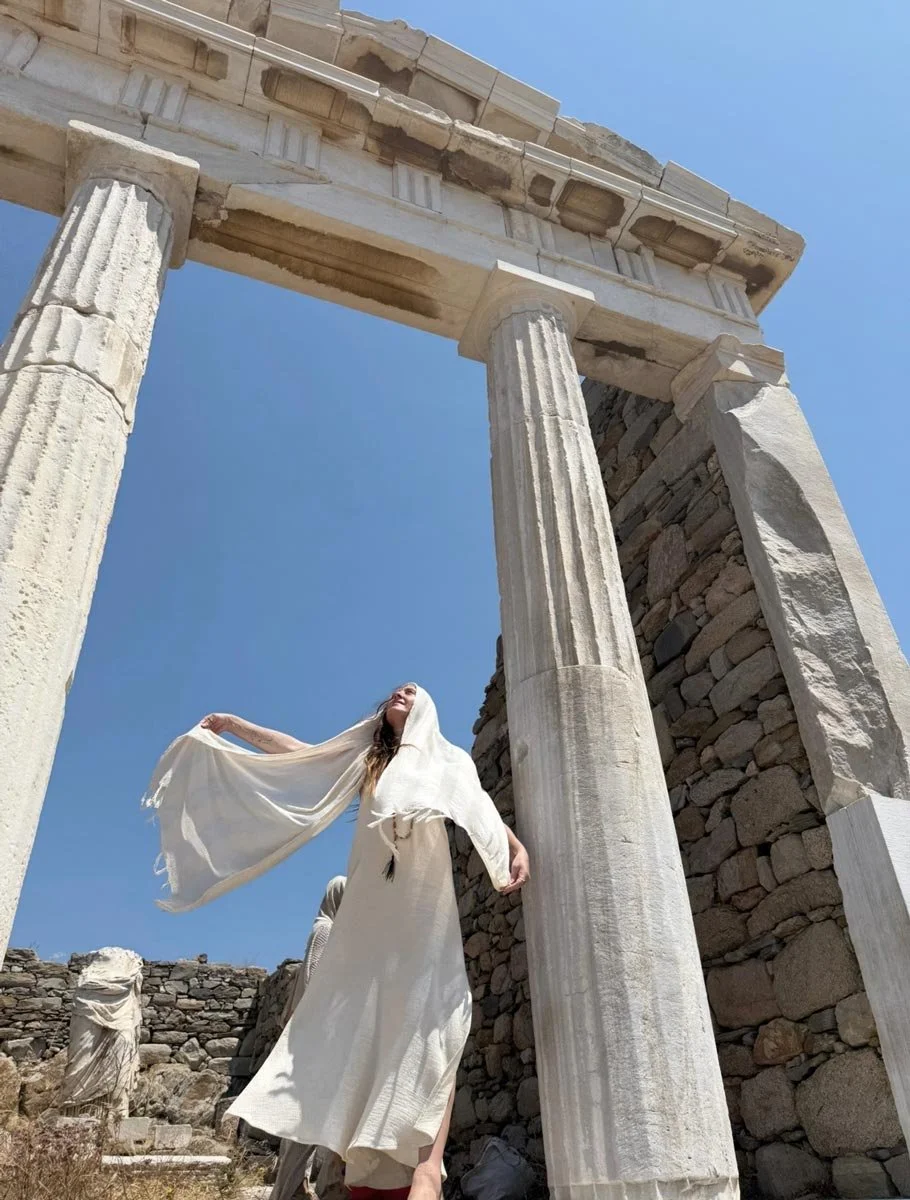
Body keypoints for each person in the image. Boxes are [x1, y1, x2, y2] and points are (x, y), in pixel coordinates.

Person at [144, 683, 530, 1200]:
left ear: (428, 710)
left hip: (420, 905)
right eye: (397, 689)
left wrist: (512, 845)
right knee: (362, 1023)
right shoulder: (367, 757)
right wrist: (237, 727)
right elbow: (301, 754)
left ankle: (428, 1166)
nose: (401, 692)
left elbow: (478, 806)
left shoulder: (449, 761)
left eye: (413, 692)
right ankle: (362, 1163)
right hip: (370, 909)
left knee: (438, 1013)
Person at [271, 876, 347, 1200]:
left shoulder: (325, 932)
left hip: (311, 1041)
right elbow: (316, 984)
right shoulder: (326, 932)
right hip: (317, 1042)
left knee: (307, 1119)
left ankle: (298, 1187)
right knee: (307, 1120)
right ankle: (290, 1190)